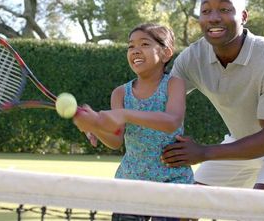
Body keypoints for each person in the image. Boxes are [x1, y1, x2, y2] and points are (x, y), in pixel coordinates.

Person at [160, 0, 264, 192]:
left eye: (224, 9)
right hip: (241, 142)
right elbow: (160, 101)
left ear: (243, 17)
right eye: (205, 11)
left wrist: (203, 152)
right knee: (183, 207)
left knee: (259, 209)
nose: (214, 17)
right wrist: (110, 120)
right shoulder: (192, 57)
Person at [73, 23, 194, 221]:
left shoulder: (174, 84)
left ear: (166, 53)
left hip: (173, 186)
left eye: (144, 44)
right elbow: (115, 141)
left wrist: (126, 114)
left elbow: (172, 121)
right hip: (130, 186)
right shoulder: (120, 93)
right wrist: (94, 125)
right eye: (130, 46)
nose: (135, 50)